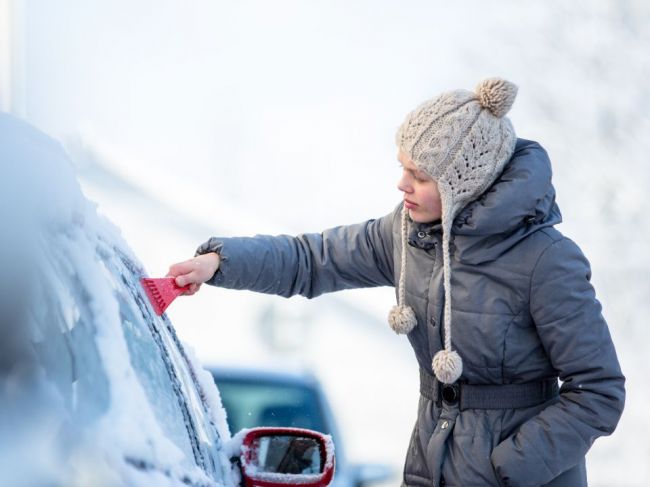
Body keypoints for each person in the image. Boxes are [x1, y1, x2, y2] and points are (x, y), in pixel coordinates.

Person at [167, 78, 625, 486]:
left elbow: (599, 391)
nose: (401, 184)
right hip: (431, 463)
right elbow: (311, 260)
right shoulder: (405, 235)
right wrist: (218, 263)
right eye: (403, 166)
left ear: (466, 184)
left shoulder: (546, 260)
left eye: (419, 175)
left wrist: (511, 467)